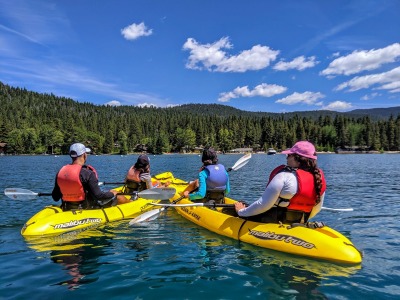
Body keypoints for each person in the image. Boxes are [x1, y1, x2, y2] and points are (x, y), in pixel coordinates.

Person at [235, 141, 326, 224]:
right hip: (299, 223)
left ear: (296, 158)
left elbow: (263, 205)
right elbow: (316, 210)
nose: (286, 158)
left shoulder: (284, 176)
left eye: (288, 155)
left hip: (272, 223)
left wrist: (241, 212)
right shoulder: (318, 179)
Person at [52, 143, 120, 211]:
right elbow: (99, 196)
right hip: (85, 210)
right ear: (84, 155)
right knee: (120, 197)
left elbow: (55, 197)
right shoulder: (88, 173)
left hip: (67, 208)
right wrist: (112, 193)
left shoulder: (60, 172)